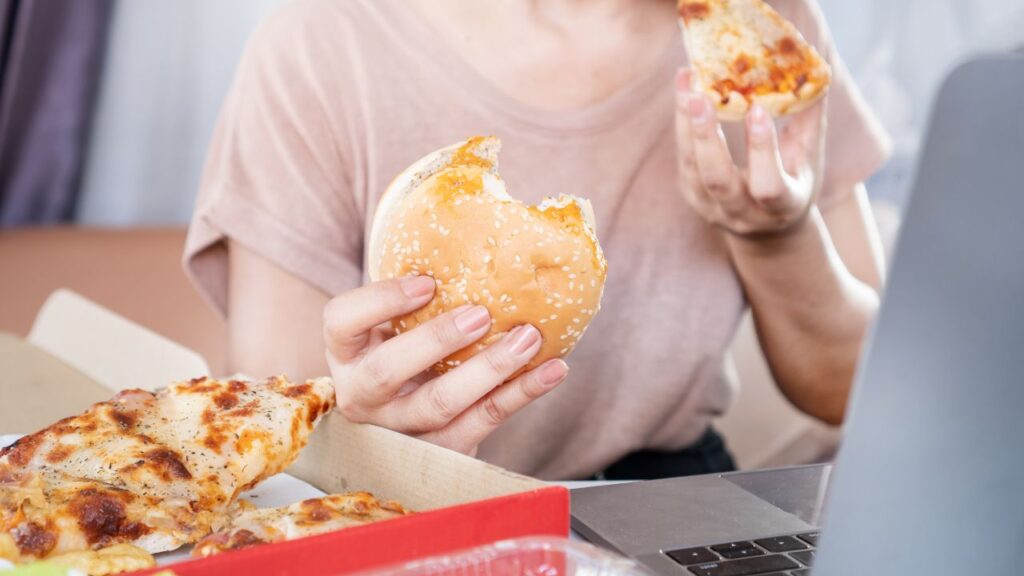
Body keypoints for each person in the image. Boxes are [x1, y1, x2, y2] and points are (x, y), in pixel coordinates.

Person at [185, 0, 890, 480]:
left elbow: (862, 390)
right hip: (403, 509)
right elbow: (272, 428)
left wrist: (774, 236)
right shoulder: (322, 41)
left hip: (670, 493)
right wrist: (373, 436)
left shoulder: (756, 35)